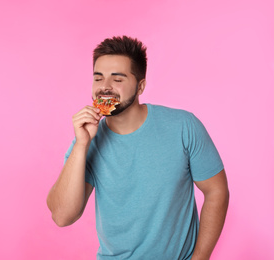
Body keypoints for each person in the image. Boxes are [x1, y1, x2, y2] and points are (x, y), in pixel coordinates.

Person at [47, 36, 229, 260]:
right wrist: (82, 143)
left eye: (118, 79)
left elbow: (216, 191)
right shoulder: (86, 141)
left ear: (140, 85)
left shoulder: (183, 126)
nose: (105, 87)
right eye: (98, 78)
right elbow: (62, 216)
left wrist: (200, 258)